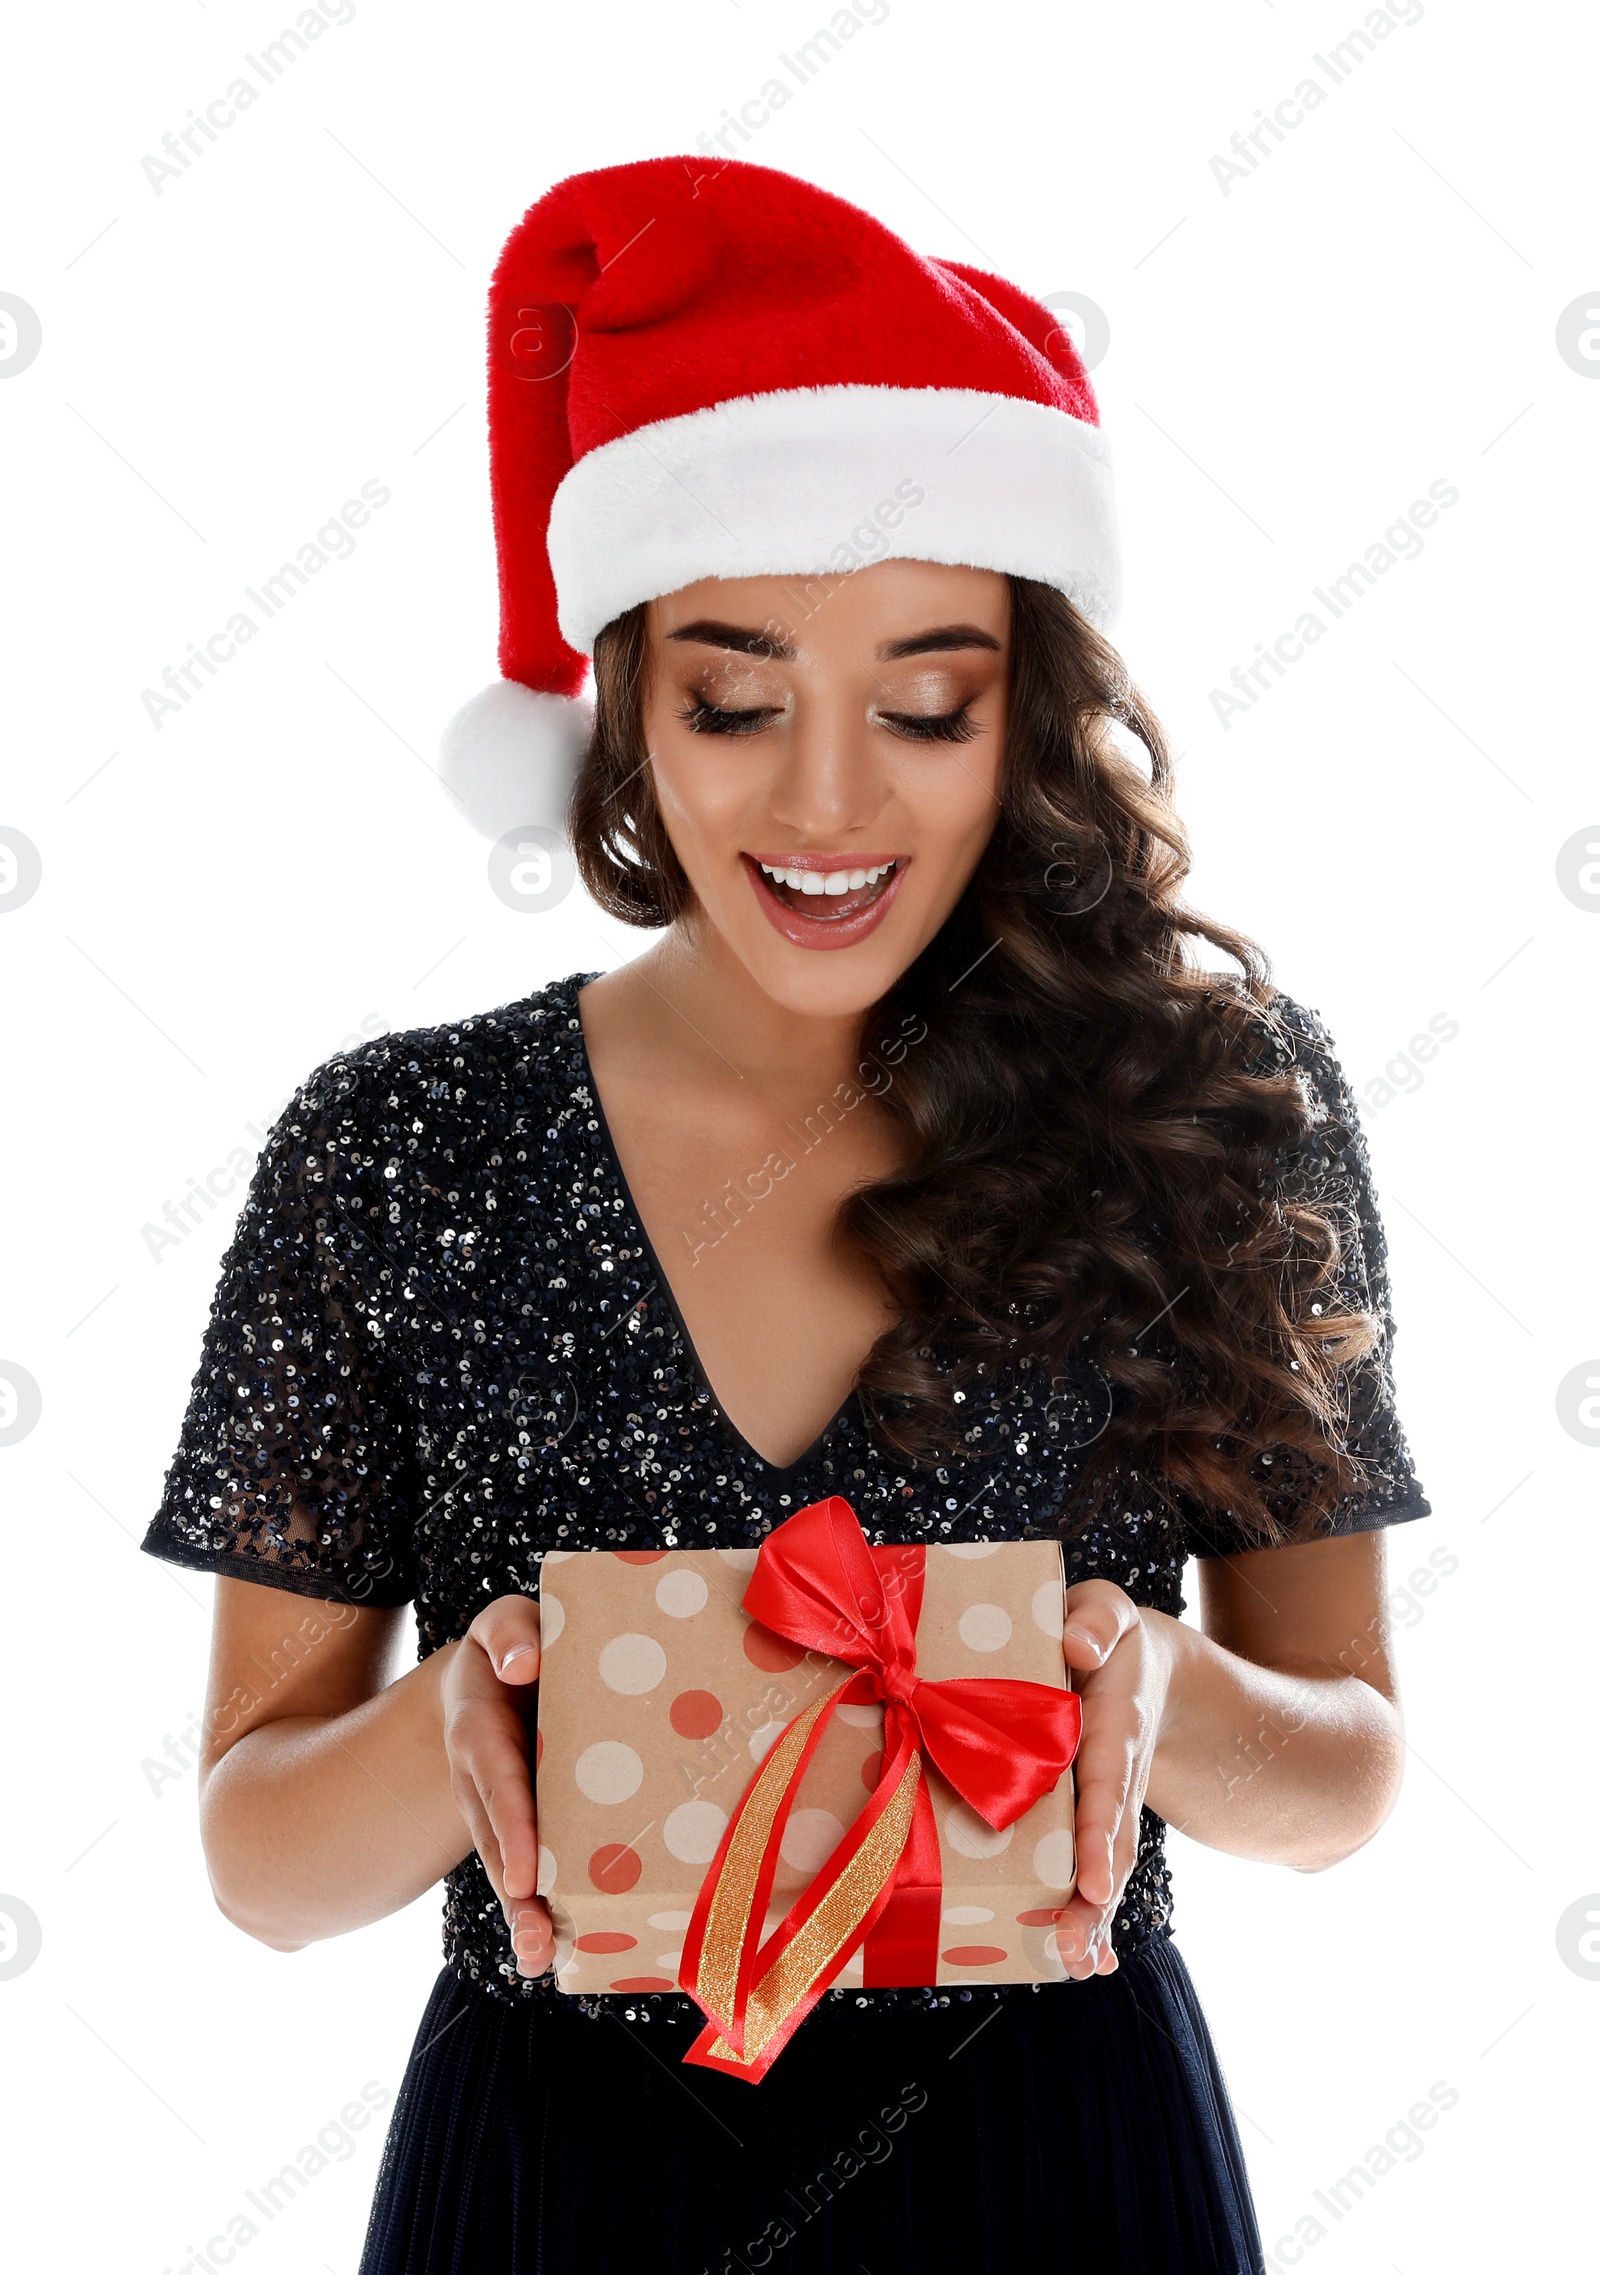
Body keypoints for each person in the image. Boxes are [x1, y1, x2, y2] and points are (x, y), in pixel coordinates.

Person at [142, 157, 1432, 2274]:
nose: (827, 803)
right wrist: (466, 1719)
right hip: (553, 2185)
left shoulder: (1210, 1109)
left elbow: (1351, 1766)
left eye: (924, 698)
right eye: (735, 697)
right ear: (629, 691)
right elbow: (259, 1859)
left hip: (1062, 2176)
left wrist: (1149, 1702)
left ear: (1020, 703)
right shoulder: (397, 1147)